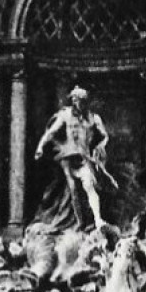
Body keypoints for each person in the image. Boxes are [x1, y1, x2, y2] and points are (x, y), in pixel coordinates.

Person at [33, 87, 115, 232]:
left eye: (80, 101)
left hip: (84, 157)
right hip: (68, 157)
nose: (77, 103)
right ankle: (81, 222)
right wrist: (40, 147)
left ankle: (98, 220)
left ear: (85, 101)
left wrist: (100, 147)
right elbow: (51, 132)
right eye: (74, 100)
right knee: (74, 190)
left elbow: (105, 136)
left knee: (89, 184)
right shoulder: (65, 115)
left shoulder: (94, 118)